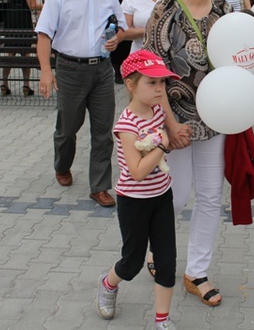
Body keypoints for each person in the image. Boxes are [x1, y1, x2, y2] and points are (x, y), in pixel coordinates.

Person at [143, 0, 232, 307]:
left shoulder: (225, 11)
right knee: (175, 198)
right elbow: (152, 72)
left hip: (214, 120)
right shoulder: (166, 10)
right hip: (174, 122)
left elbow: (237, 61)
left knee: (211, 197)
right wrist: (167, 123)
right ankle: (157, 254)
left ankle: (196, 272)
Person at [35, 0, 127, 208]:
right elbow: (43, 35)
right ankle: (62, 166)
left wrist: (116, 40)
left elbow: (121, 27)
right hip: (70, 70)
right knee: (67, 129)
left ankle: (99, 186)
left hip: (101, 70)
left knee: (103, 131)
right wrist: (45, 71)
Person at [96, 50, 180, 329]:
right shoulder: (126, 125)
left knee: (167, 260)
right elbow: (138, 172)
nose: (159, 89)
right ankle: (108, 284)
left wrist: (170, 136)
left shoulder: (157, 110)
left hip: (162, 196)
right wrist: (164, 143)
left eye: (162, 83)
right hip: (134, 201)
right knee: (131, 263)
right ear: (131, 85)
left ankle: (162, 320)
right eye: (151, 83)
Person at [0, 0, 40, 96]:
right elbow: (33, 6)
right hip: (23, 19)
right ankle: (26, 85)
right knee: (25, 52)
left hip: (11, 17)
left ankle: (4, 83)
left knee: (9, 51)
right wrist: (46, 5)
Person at [101, 0, 136, 84]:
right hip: (111, 18)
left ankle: (126, 69)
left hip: (127, 16)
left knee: (126, 44)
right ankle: (117, 71)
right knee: (115, 45)